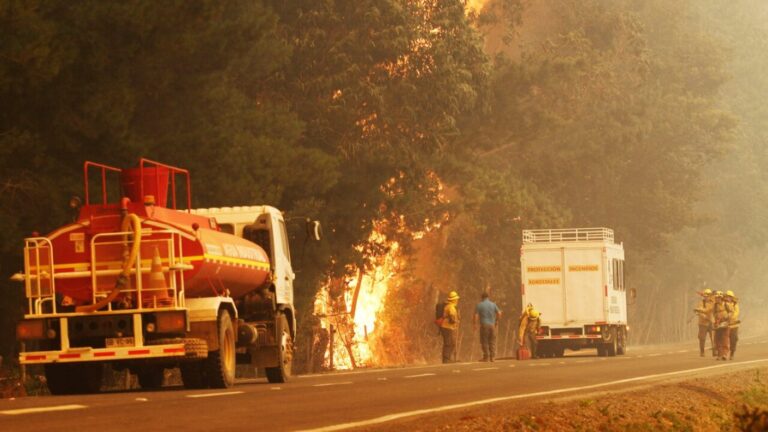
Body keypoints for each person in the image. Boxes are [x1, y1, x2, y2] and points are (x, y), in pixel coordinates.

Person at [473, 292, 502, 362]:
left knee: (484, 341)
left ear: (482, 298)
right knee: (492, 341)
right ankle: (493, 357)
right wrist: (496, 321)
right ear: (488, 297)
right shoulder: (493, 304)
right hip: (492, 325)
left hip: (484, 325)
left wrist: (475, 324)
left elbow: (476, 316)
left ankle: (486, 357)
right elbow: (499, 313)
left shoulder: (479, 305)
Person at [440, 291, 461, 363]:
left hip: (446, 327)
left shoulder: (448, 306)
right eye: (456, 299)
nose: (457, 300)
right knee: (449, 343)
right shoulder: (451, 307)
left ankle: (448, 358)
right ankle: (446, 359)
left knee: (450, 343)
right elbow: (452, 317)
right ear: (454, 300)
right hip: (448, 327)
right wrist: (455, 321)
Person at [693, 288, 715, 357]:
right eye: (705, 296)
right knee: (702, 338)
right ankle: (702, 352)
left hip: (711, 322)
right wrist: (703, 315)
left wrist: (701, 311)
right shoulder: (701, 303)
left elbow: (709, 309)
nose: (706, 297)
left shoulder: (713, 303)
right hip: (703, 323)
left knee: (714, 338)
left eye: (708, 295)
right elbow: (699, 312)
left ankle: (715, 351)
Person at [712, 291, 733, 361]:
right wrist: (714, 321)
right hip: (717, 324)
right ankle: (719, 355)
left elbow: (731, 312)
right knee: (717, 340)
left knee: (725, 339)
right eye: (716, 298)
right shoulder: (715, 306)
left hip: (725, 324)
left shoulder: (726, 304)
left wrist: (727, 316)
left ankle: (725, 354)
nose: (717, 299)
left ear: (721, 298)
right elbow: (713, 314)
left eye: (718, 298)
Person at [725, 290, 740, 360]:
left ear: (731, 297)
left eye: (729, 297)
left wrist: (731, 316)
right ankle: (724, 354)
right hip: (726, 325)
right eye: (727, 297)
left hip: (734, 325)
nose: (728, 298)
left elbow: (736, 313)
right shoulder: (724, 304)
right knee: (724, 340)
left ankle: (732, 354)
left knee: (733, 340)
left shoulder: (735, 305)